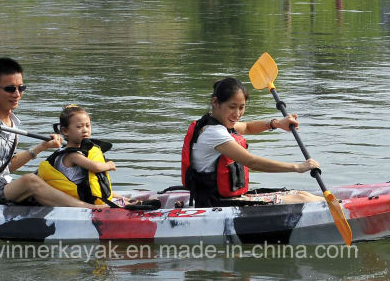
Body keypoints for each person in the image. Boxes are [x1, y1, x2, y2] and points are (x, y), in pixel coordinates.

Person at [0, 57, 100, 208]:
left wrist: (41, 147)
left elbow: (7, 167)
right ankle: (90, 209)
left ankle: (101, 200)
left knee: (48, 175)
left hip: (3, 186)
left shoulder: (13, 123)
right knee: (29, 180)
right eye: (10, 89)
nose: (17, 94)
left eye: (21, 88)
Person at [182, 77, 324, 207]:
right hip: (214, 203)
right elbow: (251, 162)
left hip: (226, 198)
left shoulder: (217, 124)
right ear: (215, 102)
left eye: (241, 107)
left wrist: (277, 123)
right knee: (301, 199)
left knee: (301, 195)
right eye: (232, 107)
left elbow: (247, 127)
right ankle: (337, 207)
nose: (237, 114)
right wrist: (297, 167)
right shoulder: (213, 132)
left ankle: (336, 204)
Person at [39, 105, 152, 208]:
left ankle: (127, 200)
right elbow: (95, 167)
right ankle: (130, 204)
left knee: (105, 192)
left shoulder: (73, 151)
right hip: (79, 199)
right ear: (65, 130)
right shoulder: (72, 155)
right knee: (112, 201)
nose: (85, 130)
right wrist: (109, 165)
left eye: (87, 125)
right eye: (79, 127)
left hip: (84, 193)